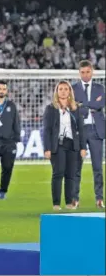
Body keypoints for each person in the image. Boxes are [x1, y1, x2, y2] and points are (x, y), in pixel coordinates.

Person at [43, 81, 87, 211]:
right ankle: (56, 204)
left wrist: (83, 147)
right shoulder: (51, 108)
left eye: (66, 89)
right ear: (57, 91)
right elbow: (47, 130)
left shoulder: (75, 108)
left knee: (71, 175)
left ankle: (69, 203)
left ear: (69, 92)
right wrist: (47, 148)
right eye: (60, 89)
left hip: (73, 144)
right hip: (58, 144)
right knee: (58, 173)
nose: (63, 91)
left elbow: (81, 129)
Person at [72, 60, 105, 209]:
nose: (85, 75)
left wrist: (83, 104)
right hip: (80, 131)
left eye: (88, 72)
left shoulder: (100, 88)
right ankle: (74, 199)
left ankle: (99, 198)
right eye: (83, 72)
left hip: (96, 130)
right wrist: (90, 105)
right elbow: (74, 108)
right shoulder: (73, 89)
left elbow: (100, 105)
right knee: (76, 167)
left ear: (92, 72)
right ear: (79, 73)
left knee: (97, 167)